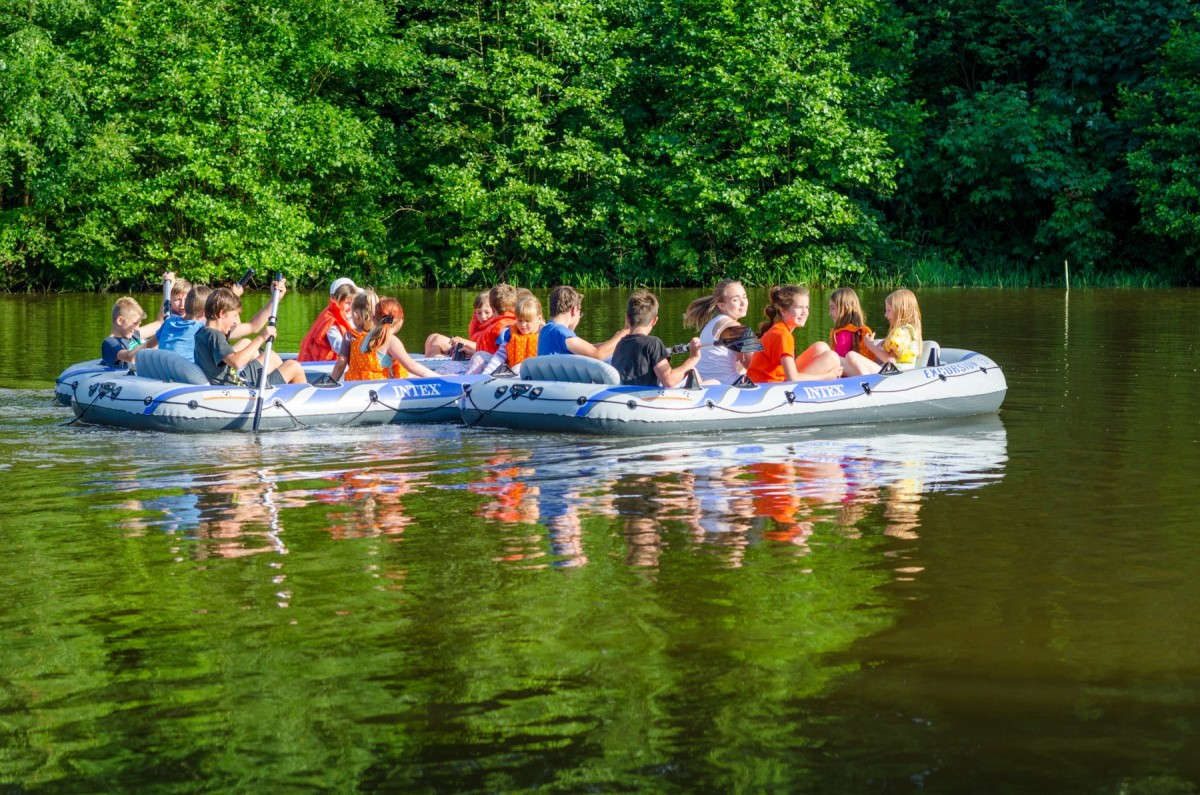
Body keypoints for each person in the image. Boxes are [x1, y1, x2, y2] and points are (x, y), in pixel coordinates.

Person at [194, 286, 306, 386]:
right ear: (222, 313)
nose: (236, 322)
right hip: (236, 390)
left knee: (271, 356)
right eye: (234, 315)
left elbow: (253, 326)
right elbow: (237, 363)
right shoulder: (215, 335)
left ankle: (277, 389)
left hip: (236, 381)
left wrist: (275, 298)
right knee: (293, 366)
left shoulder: (203, 332)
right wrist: (261, 338)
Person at [331, 293, 437, 381]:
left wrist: (331, 382)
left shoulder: (360, 338)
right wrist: (439, 377)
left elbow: (341, 363)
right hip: (377, 388)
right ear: (400, 321)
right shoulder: (391, 341)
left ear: (374, 319)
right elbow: (411, 366)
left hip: (354, 384)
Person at [745, 285, 842, 382]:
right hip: (765, 386)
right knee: (832, 358)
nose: (804, 312)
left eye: (806, 307)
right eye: (799, 307)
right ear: (783, 311)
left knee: (821, 347)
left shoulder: (779, 328)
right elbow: (792, 379)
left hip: (765, 380)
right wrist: (827, 376)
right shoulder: (783, 335)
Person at [611, 290, 702, 387]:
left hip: (624, 393)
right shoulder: (653, 343)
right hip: (643, 395)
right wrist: (693, 358)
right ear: (654, 320)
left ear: (627, 318)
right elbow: (669, 381)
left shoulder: (620, 343)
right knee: (701, 375)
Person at [683, 279, 751, 383]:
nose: (743, 303)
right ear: (722, 305)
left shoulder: (713, 322)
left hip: (703, 381)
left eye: (744, 297)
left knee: (742, 369)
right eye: (735, 300)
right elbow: (752, 365)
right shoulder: (734, 327)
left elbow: (744, 363)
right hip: (725, 385)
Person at [846, 288, 923, 375]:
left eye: (889, 310)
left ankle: (867, 381)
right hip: (891, 372)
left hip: (893, 374)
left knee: (851, 355)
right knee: (842, 361)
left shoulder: (902, 333)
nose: (885, 315)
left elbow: (890, 361)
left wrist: (871, 346)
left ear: (901, 310)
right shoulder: (908, 331)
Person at [537, 285, 628, 359]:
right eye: (580, 313)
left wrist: (612, 342)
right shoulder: (560, 332)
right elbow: (597, 355)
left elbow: (590, 347)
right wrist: (624, 332)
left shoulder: (545, 330)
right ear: (574, 310)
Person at [479, 295, 544, 375]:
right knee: (479, 355)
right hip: (514, 374)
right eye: (520, 320)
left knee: (518, 367)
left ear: (539, 319)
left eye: (527, 321)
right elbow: (500, 356)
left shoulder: (545, 334)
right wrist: (485, 374)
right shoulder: (510, 333)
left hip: (536, 374)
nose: (523, 325)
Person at [299, 278, 360, 361]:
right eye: (347, 303)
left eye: (353, 303)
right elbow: (339, 346)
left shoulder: (344, 316)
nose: (351, 307)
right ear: (336, 301)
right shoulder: (330, 323)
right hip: (317, 366)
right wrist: (361, 353)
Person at [424, 290, 493, 358]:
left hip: (481, 355)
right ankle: (435, 358)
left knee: (438, 340)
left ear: (494, 310)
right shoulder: (478, 323)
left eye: (487, 312)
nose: (483, 316)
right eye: (479, 313)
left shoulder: (495, 327)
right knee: (432, 337)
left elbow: (488, 348)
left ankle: (435, 358)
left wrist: (463, 341)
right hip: (473, 351)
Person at [101, 297, 162, 368]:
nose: (137, 328)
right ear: (120, 321)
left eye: (139, 324)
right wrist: (154, 340)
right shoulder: (110, 343)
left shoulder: (132, 334)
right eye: (135, 323)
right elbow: (129, 357)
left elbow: (161, 323)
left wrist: (168, 291)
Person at [155, 284, 211, 361]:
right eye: (211, 313)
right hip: (186, 367)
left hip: (163, 365)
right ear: (203, 313)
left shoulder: (169, 322)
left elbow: (149, 345)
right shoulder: (202, 328)